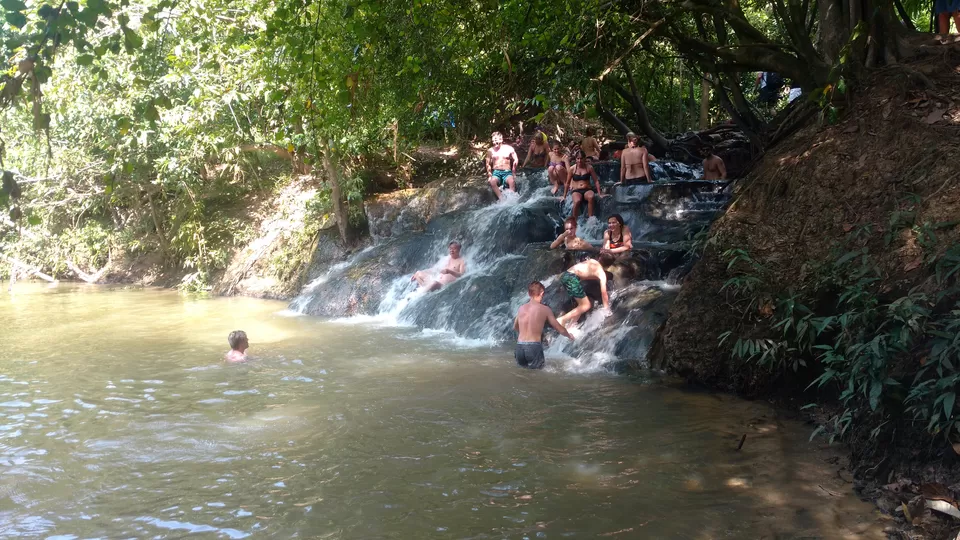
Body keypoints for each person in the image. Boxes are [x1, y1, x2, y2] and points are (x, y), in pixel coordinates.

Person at [513, 281, 575, 369]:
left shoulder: (521, 308)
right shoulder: (545, 309)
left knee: (522, 376)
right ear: (542, 293)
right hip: (533, 348)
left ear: (529, 293)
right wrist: (569, 335)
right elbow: (559, 328)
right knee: (538, 378)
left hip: (519, 348)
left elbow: (515, 327)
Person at [557, 254, 612, 327]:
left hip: (566, 275)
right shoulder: (601, 273)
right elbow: (604, 293)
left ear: (600, 258)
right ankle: (562, 319)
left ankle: (571, 326)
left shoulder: (592, 261)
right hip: (572, 278)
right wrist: (606, 309)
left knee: (581, 304)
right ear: (608, 266)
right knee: (586, 305)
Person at [562, 153, 604, 220]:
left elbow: (596, 181)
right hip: (576, 190)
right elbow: (567, 183)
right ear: (575, 159)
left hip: (587, 189)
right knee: (577, 201)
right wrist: (564, 196)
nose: (579, 160)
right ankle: (574, 220)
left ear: (584, 158)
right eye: (578, 158)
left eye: (581, 158)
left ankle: (591, 218)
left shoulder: (589, 168)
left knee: (591, 197)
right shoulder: (572, 169)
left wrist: (600, 193)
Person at [485, 131, 519, 200]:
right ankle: (501, 199)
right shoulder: (490, 151)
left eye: (496, 140)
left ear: (501, 139)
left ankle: (511, 199)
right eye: (493, 141)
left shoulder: (509, 148)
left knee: (511, 181)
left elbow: (515, 159)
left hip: (507, 172)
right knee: (492, 181)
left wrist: (513, 171)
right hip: (496, 173)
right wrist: (489, 175)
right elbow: (488, 163)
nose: (494, 142)